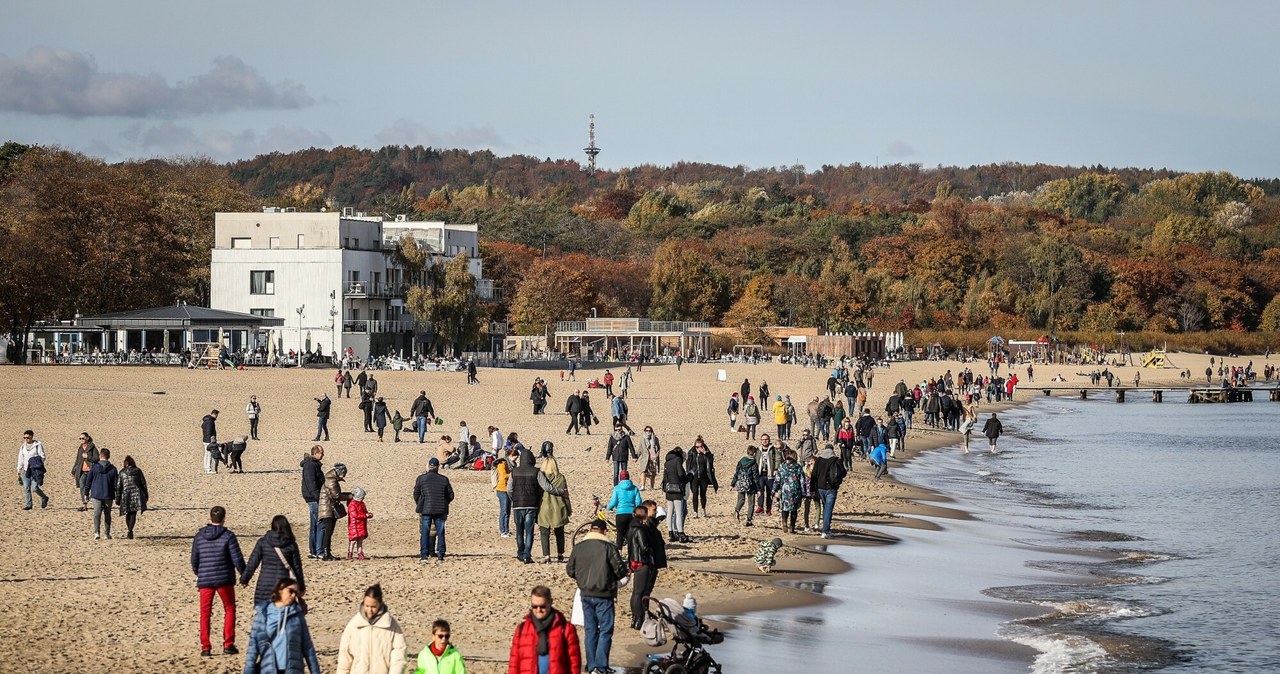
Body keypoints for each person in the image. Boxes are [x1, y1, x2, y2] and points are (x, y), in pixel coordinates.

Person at [565, 519, 628, 674]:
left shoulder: (579, 547)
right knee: (605, 630)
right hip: (604, 594)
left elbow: (570, 570)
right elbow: (620, 570)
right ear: (604, 531)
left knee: (591, 630)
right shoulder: (608, 547)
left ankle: (593, 665)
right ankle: (599, 666)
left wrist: (582, 579)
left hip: (585, 593)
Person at [191, 505, 246, 657]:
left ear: (211, 518)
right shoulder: (228, 536)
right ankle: (228, 643)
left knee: (205, 613)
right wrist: (244, 575)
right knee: (229, 609)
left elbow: (194, 560)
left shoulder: (199, 536)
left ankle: (205, 647)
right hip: (224, 578)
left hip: (205, 578)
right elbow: (237, 558)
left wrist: (199, 573)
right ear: (223, 518)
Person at [244, 578, 321, 674]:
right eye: (290, 591)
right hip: (268, 669)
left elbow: (308, 648)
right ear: (280, 590)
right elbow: (253, 648)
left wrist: (315, 671)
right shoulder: (263, 614)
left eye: (295, 593)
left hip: (293, 669)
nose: (293, 595)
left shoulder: (297, 615)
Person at [508, 585, 581, 674]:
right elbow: (514, 662)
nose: (538, 610)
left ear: (550, 602)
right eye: (534, 606)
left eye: (542, 606)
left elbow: (574, 662)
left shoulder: (566, 629)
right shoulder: (522, 629)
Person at [337, 583, 408, 674]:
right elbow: (345, 656)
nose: (369, 610)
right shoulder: (354, 625)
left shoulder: (392, 626)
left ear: (380, 604)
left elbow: (399, 656)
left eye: (373, 607)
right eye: (367, 606)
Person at [240, 515, 306, 610]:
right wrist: (301, 586)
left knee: (263, 616)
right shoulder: (291, 544)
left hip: (264, 584)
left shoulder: (263, 542)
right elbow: (297, 568)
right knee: (282, 616)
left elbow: (253, 562)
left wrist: (244, 579)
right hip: (283, 585)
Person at [413, 457, 455, 562]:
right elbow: (450, 495)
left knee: (425, 532)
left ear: (429, 466)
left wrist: (421, 503)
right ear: (438, 467)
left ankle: (424, 555)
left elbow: (416, 494)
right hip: (440, 509)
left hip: (426, 509)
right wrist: (445, 503)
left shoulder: (421, 478)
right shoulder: (444, 479)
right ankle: (441, 554)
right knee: (440, 532)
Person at [625, 504, 658, 629]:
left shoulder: (632, 527)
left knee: (636, 593)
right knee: (639, 593)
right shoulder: (639, 529)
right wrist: (652, 551)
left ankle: (635, 619)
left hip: (634, 562)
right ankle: (638, 618)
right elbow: (644, 547)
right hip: (642, 563)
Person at [538, 455, 572, 564]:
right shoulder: (561, 478)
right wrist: (569, 509)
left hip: (544, 507)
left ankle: (546, 555)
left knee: (544, 532)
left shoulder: (541, 477)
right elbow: (566, 495)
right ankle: (560, 554)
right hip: (559, 506)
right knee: (560, 532)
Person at [811, 444, 846, 539]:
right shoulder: (836, 460)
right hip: (832, 488)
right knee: (828, 509)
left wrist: (812, 489)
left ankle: (827, 529)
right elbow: (844, 473)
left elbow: (813, 475)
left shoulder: (819, 460)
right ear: (832, 450)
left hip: (820, 488)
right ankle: (825, 530)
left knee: (825, 507)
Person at [318, 463, 350, 561]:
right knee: (328, 532)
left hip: (327, 508)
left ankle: (327, 553)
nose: (344, 476)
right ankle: (326, 553)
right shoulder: (331, 481)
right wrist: (350, 496)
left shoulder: (330, 479)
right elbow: (336, 495)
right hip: (327, 509)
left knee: (328, 532)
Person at [299, 445, 325, 559]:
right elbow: (311, 483)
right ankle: (317, 551)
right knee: (318, 524)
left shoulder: (313, 464)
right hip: (313, 498)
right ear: (316, 453)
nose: (323, 455)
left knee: (316, 524)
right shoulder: (310, 465)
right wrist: (318, 497)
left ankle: (315, 551)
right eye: (321, 453)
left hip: (313, 497)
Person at [606, 468, 642, 549]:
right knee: (631, 534)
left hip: (620, 514)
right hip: (632, 514)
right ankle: (631, 554)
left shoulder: (617, 488)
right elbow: (639, 501)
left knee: (620, 534)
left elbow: (614, 501)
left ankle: (619, 553)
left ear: (620, 478)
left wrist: (609, 507)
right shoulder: (634, 488)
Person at [115, 455, 149, 539]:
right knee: (133, 513)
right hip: (136, 494)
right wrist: (146, 494)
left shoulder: (122, 472)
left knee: (127, 513)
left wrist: (117, 498)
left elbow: (119, 486)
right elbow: (143, 483)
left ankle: (129, 530)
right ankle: (130, 531)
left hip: (126, 494)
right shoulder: (138, 471)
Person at [88, 447, 118, 539]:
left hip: (96, 494)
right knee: (107, 514)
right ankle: (107, 533)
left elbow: (89, 481)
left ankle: (97, 532)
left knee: (97, 514)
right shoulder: (113, 469)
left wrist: (86, 492)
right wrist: (117, 495)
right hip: (108, 494)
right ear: (108, 457)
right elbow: (116, 483)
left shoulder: (94, 467)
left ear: (100, 456)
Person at [662, 447, 690, 543]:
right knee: (679, 512)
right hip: (677, 489)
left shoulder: (667, 462)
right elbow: (681, 474)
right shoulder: (677, 460)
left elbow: (665, 477)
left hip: (669, 489)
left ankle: (671, 533)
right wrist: (690, 475)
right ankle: (681, 533)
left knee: (670, 512)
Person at [685, 436, 718, 518]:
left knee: (703, 494)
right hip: (694, 477)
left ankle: (703, 510)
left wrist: (705, 454)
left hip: (704, 476)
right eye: (697, 447)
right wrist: (689, 474)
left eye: (700, 446)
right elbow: (688, 464)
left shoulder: (707, 453)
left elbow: (711, 462)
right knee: (695, 493)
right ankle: (695, 512)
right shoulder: (692, 453)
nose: (699, 448)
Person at [17, 429, 49, 510]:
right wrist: (18, 469)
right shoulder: (23, 446)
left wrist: (36, 463)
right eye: (24, 438)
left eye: (27, 437)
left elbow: (42, 456)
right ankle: (29, 505)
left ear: (31, 437)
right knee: (26, 487)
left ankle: (44, 497)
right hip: (25, 469)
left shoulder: (38, 445)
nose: (26, 439)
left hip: (35, 470)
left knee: (34, 488)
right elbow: (21, 458)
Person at [776, 449, 805, 534]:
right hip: (795, 490)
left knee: (785, 508)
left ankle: (784, 521)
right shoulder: (798, 467)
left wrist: (774, 490)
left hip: (785, 490)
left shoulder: (782, 466)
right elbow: (802, 481)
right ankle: (792, 527)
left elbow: (777, 479)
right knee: (794, 509)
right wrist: (804, 492)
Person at [731, 445, 760, 527]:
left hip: (741, 483)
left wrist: (732, 484)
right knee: (751, 503)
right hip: (751, 485)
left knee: (741, 500)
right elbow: (755, 476)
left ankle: (737, 510)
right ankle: (749, 520)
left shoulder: (741, 461)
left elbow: (737, 473)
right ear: (754, 453)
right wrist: (759, 489)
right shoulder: (753, 463)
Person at [71, 431, 98, 510]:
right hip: (82, 471)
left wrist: (88, 457)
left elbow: (97, 459)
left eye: (83, 438)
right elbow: (78, 461)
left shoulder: (92, 447)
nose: (81, 440)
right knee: (82, 487)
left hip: (91, 471)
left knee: (93, 488)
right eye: (80, 438)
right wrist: (73, 471)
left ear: (87, 438)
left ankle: (99, 504)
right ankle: (85, 505)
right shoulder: (80, 448)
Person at [493, 448, 513, 538]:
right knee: (504, 511)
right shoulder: (501, 464)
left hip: (508, 489)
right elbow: (503, 476)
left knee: (508, 511)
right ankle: (503, 530)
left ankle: (506, 529)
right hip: (502, 489)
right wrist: (513, 474)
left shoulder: (510, 464)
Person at [348, 487, 371, 560]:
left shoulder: (362, 504)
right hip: (354, 526)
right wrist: (365, 515)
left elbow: (364, 512)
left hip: (361, 525)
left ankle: (360, 553)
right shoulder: (352, 505)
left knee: (360, 541)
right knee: (353, 541)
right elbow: (354, 515)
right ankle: (350, 553)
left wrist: (368, 515)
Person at [640, 426, 661, 490]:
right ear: (645, 431)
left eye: (649, 431)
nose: (648, 432)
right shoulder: (642, 439)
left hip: (653, 458)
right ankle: (643, 486)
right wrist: (635, 456)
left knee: (652, 474)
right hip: (645, 458)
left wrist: (657, 455)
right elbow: (640, 449)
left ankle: (652, 487)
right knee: (643, 471)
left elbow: (659, 448)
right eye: (647, 430)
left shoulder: (655, 439)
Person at [202, 409, 220, 474]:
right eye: (217, 415)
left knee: (206, 454)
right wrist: (211, 440)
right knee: (209, 455)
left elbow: (202, 427)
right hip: (209, 440)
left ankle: (206, 468)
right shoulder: (210, 421)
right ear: (214, 414)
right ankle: (208, 469)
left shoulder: (206, 420)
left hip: (205, 439)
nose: (217, 417)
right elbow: (209, 431)